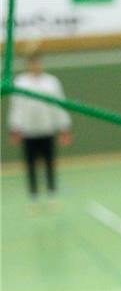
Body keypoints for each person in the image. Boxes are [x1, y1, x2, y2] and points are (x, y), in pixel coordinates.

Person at [8, 54, 72, 209]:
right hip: (29, 131)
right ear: (28, 65)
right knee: (30, 166)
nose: (35, 66)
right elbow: (16, 106)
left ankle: (52, 196)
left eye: (37, 63)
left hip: (47, 129)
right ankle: (33, 198)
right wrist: (14, 128)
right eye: (32, 63)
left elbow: (59, 104)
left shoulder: (51, 82)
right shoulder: (20, 82)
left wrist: (64, 127)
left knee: (49, 164)